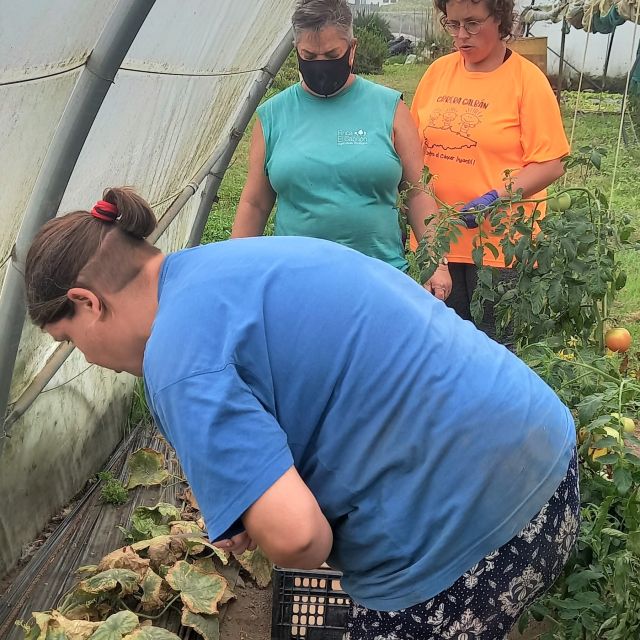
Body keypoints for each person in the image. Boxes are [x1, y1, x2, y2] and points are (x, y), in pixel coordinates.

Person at [25, 188, 579, 640]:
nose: (88, 358)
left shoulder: (176, 360)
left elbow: (299, 540)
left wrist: (267, 526)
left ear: (89, 303)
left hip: (466, 535)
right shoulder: (219, 266)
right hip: (542, 457)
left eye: (69, 339)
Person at [231, 0, 450, 299]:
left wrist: (437, 262)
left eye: (332, 54)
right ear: (296, 51)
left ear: (352, 48)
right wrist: (233, 269)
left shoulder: (389, 108)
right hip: (297, 285)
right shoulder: (273, 115)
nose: (320, 64)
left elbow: (417, 191)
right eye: (309, 55)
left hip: (380, 282)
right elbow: (254, 204)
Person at [409, 0, 570, 340]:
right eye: (452, 24)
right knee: (442, 345)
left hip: (500, 243)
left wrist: (497, 198)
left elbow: (552, 161)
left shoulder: (526, 80)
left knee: (492, 347)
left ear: (499, 19)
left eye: (472, 23)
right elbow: (412, 148)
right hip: (438, 238)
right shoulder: (439, 72)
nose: (461, 35)